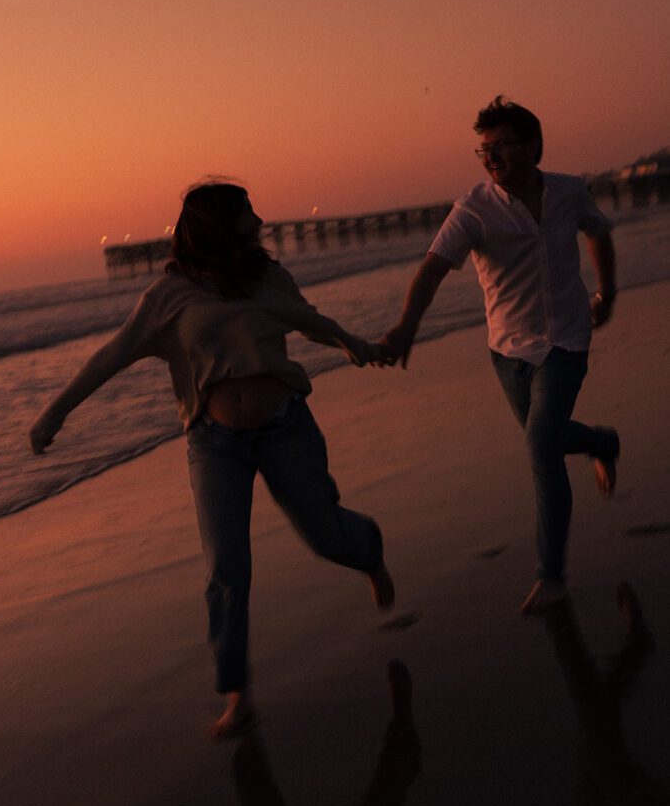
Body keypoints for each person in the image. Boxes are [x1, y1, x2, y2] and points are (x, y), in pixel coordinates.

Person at [30, 181, 395, 737]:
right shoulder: (169, 295)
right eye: (249, 210)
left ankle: (368, 551)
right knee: (226, 569)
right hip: (213, 442)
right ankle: (236, 693)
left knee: (326, 536)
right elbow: (113, 354)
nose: (261, 217)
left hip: (285, 429)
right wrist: (55, 413)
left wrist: (360, 348)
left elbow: (313, 322)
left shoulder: (270, 277)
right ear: (222, 222)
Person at [381, 96, 619, 615]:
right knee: (550, 439)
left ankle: (551, 576)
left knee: (540, 450)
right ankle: (601, 441)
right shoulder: (473, 209)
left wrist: (608, 293)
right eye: (482, 150)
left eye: (501, 146)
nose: (490, 157)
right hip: (508, 351)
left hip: (567, 340)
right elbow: (433, 269)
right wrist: (406, 327)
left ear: (532, 146)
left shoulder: (568, 191)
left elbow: (599, 233)